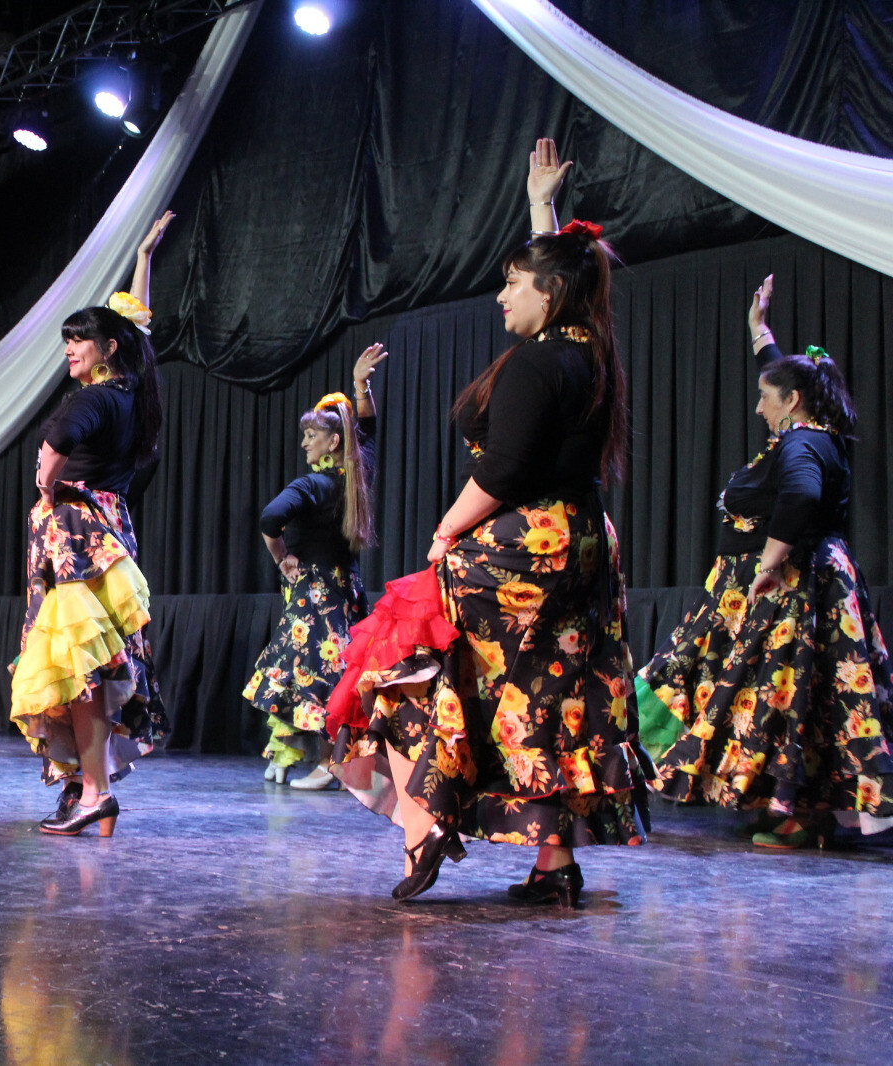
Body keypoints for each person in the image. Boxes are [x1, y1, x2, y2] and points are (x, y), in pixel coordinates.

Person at [348, 140, 650, 906]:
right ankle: (554, 867)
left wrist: (446, 531)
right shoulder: (592, 349)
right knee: (546, 696)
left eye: (513, 284)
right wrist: (540, 207)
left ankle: (425, 822)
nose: (500, 298)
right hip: (583, 540)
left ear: (549, 292)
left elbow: (505, 469)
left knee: (408, 655)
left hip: (526, 543)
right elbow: (565, 274)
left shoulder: (540, 361)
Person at [636, 275, 893, 847]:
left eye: (765, 397)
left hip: (786, 588)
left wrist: (770, 564)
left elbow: (801, 495)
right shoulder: (814, 432)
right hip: (802, 581)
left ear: (792, 402)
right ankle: (799, 811)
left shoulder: (801, 443)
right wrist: (760, 330)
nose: (758, 407)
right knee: (791, 695)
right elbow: (784, 377)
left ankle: (797, 814)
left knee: (780, 695)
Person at [10, 212, 174, 837]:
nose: (69, 349)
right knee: (95, 664)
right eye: (67, 340)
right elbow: (135, 328)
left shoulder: (95, 397)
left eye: (80, 339)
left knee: (75, 663)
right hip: (108, 526)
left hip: (75, 533)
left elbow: (56, 444)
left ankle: (93, 791)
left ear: (106, 349)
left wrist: (46, 485)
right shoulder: (130, 391)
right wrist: (144, 261)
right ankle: (87, 786)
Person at [245, 345, 384, 788]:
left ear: (332, 443)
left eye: (311, 436)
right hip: (346, 591)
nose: (304, 443)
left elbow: (270, 518)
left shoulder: (314, 484)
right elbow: (368, 431)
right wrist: (361, 387)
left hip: (314, 598)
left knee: (319, 677)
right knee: (322, 673)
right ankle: (298, 758)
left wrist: (280, 556)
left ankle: (329, 765)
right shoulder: (357, 476)